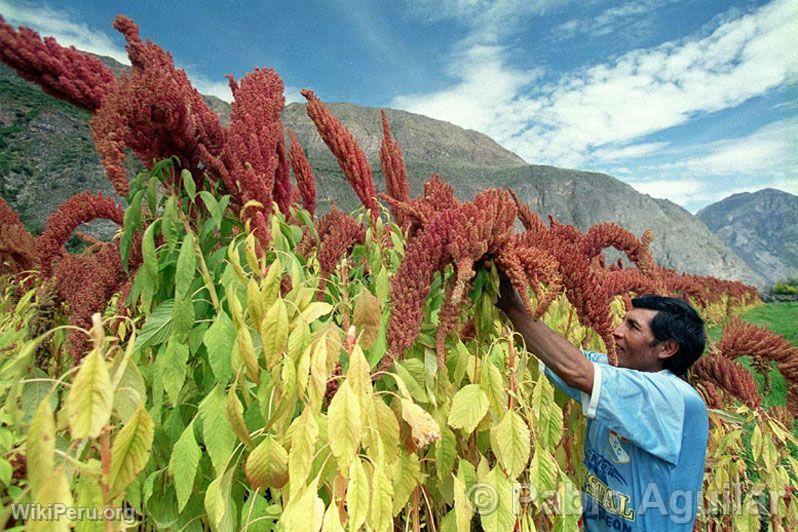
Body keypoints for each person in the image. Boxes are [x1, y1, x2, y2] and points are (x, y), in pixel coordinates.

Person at [496, 272, 709, 531]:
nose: (616, 331)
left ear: (667, 348)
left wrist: (513, 306)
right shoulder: (620, 372)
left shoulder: (673, 398)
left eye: (633, 326)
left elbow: (577, 372)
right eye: (623, 321)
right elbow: (562, 359)